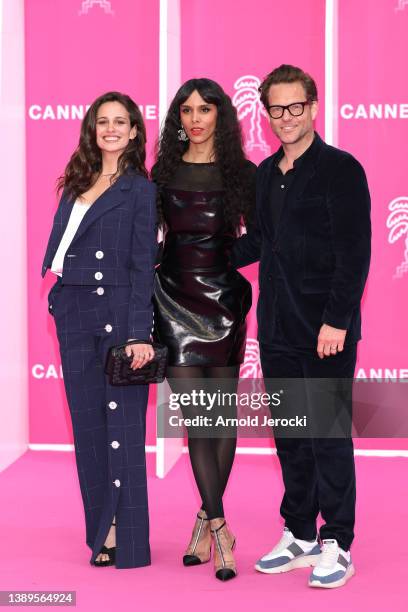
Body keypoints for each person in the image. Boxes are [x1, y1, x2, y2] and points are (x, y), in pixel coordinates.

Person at [232, 64, 371, 588]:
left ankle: (337, 541)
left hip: (325, 332)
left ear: (313, 107)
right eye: (276, 109)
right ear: (265, 113)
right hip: (277, 330)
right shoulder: (265, 175)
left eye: (295, 107)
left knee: (328, 436)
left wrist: (337, 319)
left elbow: (354, 253)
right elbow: (258, 244)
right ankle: (299, 533)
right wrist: (194, 256)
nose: (286, 117)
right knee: (291, 438)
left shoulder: (341, 169)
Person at [42, 91, 158, 569]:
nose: (110, 128)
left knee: (123, 430)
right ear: (92, 129)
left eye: (120, 121)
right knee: (88, 429)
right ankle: (100, 530)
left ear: (134, 132)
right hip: (74, 315)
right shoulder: (76, 181)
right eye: (102, 121)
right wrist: (56, 295)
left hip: (117, 318)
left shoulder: (140, 190)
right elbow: (61, 246)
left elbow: (140, 266)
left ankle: (127, 539)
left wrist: (138, 334)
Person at [152, 78, 256, 581]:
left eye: (204, 109)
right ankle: (220, 527)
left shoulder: (242, 173)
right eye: (186, 111)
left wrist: (227, 264)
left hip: (224, 303)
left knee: (222, 418)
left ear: (221, 115)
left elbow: (262, 238)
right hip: (173, 299)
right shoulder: (162, 171)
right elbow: (146, 240)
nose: (194, 119)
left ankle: (203, 519)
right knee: (199, 419)